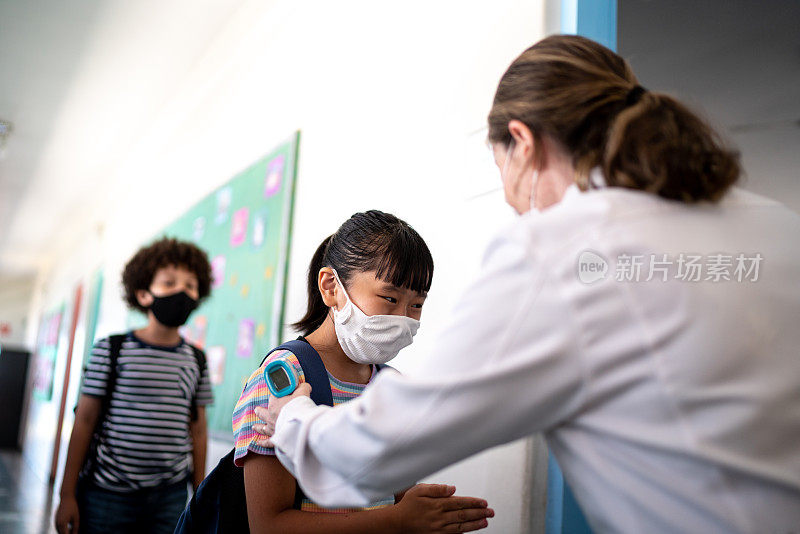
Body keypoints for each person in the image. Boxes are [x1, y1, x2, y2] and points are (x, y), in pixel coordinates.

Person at [256, 35, 800, 533]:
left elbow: (376, 450)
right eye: (391, 297)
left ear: (522, 141)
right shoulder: (776, 222)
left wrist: (296, 420)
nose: (519, 207)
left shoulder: (564, 248)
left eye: (504, 172)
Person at [232, 210, 494, 533]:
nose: (403, 318)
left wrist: (427, 513)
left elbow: (397, 495)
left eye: (416, 305)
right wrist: (398, 521)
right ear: (331, 288)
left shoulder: (389, 384)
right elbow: (269, 526)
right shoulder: (283, 383)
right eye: (389, 297)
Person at [55, 237, 214, 534]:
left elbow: (199, 429)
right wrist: (66, 494)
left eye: (191, 286)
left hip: (170, 496)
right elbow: (85, 420)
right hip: (108, 493)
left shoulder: (197, 359)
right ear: (143, 294)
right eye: (169, 283)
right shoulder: (111, 349)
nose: (182, 292)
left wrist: (200, 499)